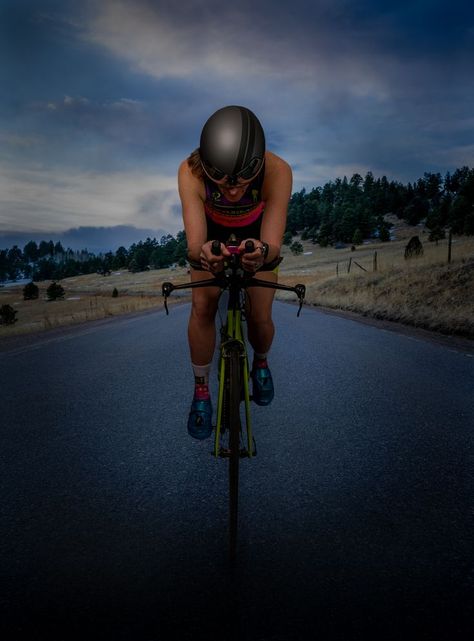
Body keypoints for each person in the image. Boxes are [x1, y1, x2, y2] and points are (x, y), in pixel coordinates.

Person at [178, 105, 292, 439]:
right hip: (210, 239)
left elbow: (273, 245)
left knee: (260, 316)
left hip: (257, 238)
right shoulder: (189, 171)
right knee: (202, 306)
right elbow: (194, 244)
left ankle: (261, 361)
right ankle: (201, 392)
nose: (231, 190)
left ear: (257, 164)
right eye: (221, 182)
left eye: (242, 181)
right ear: (205, 164)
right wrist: (205, 256)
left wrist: (261, 254)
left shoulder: (278, 170)